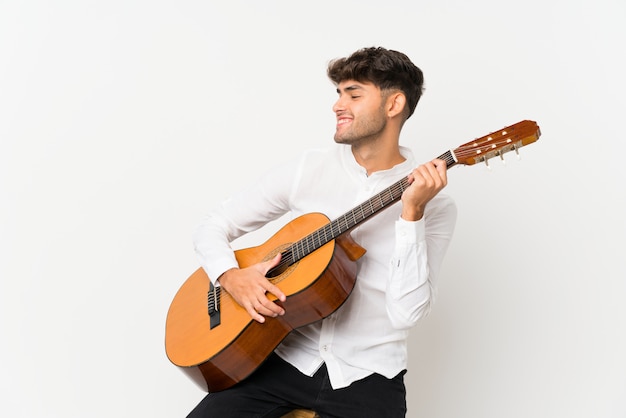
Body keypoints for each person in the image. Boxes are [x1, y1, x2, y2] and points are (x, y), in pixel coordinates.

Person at [188, 46, 457, 418]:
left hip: (369, 376)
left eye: (354, 93)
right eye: (338, 93)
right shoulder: (308, 170)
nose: (337, 105)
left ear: (394, 104)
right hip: (282, 360)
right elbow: (214, 224)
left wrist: (412, 214)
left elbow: (406, 314)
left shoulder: (436, 207)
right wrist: (230, 276)